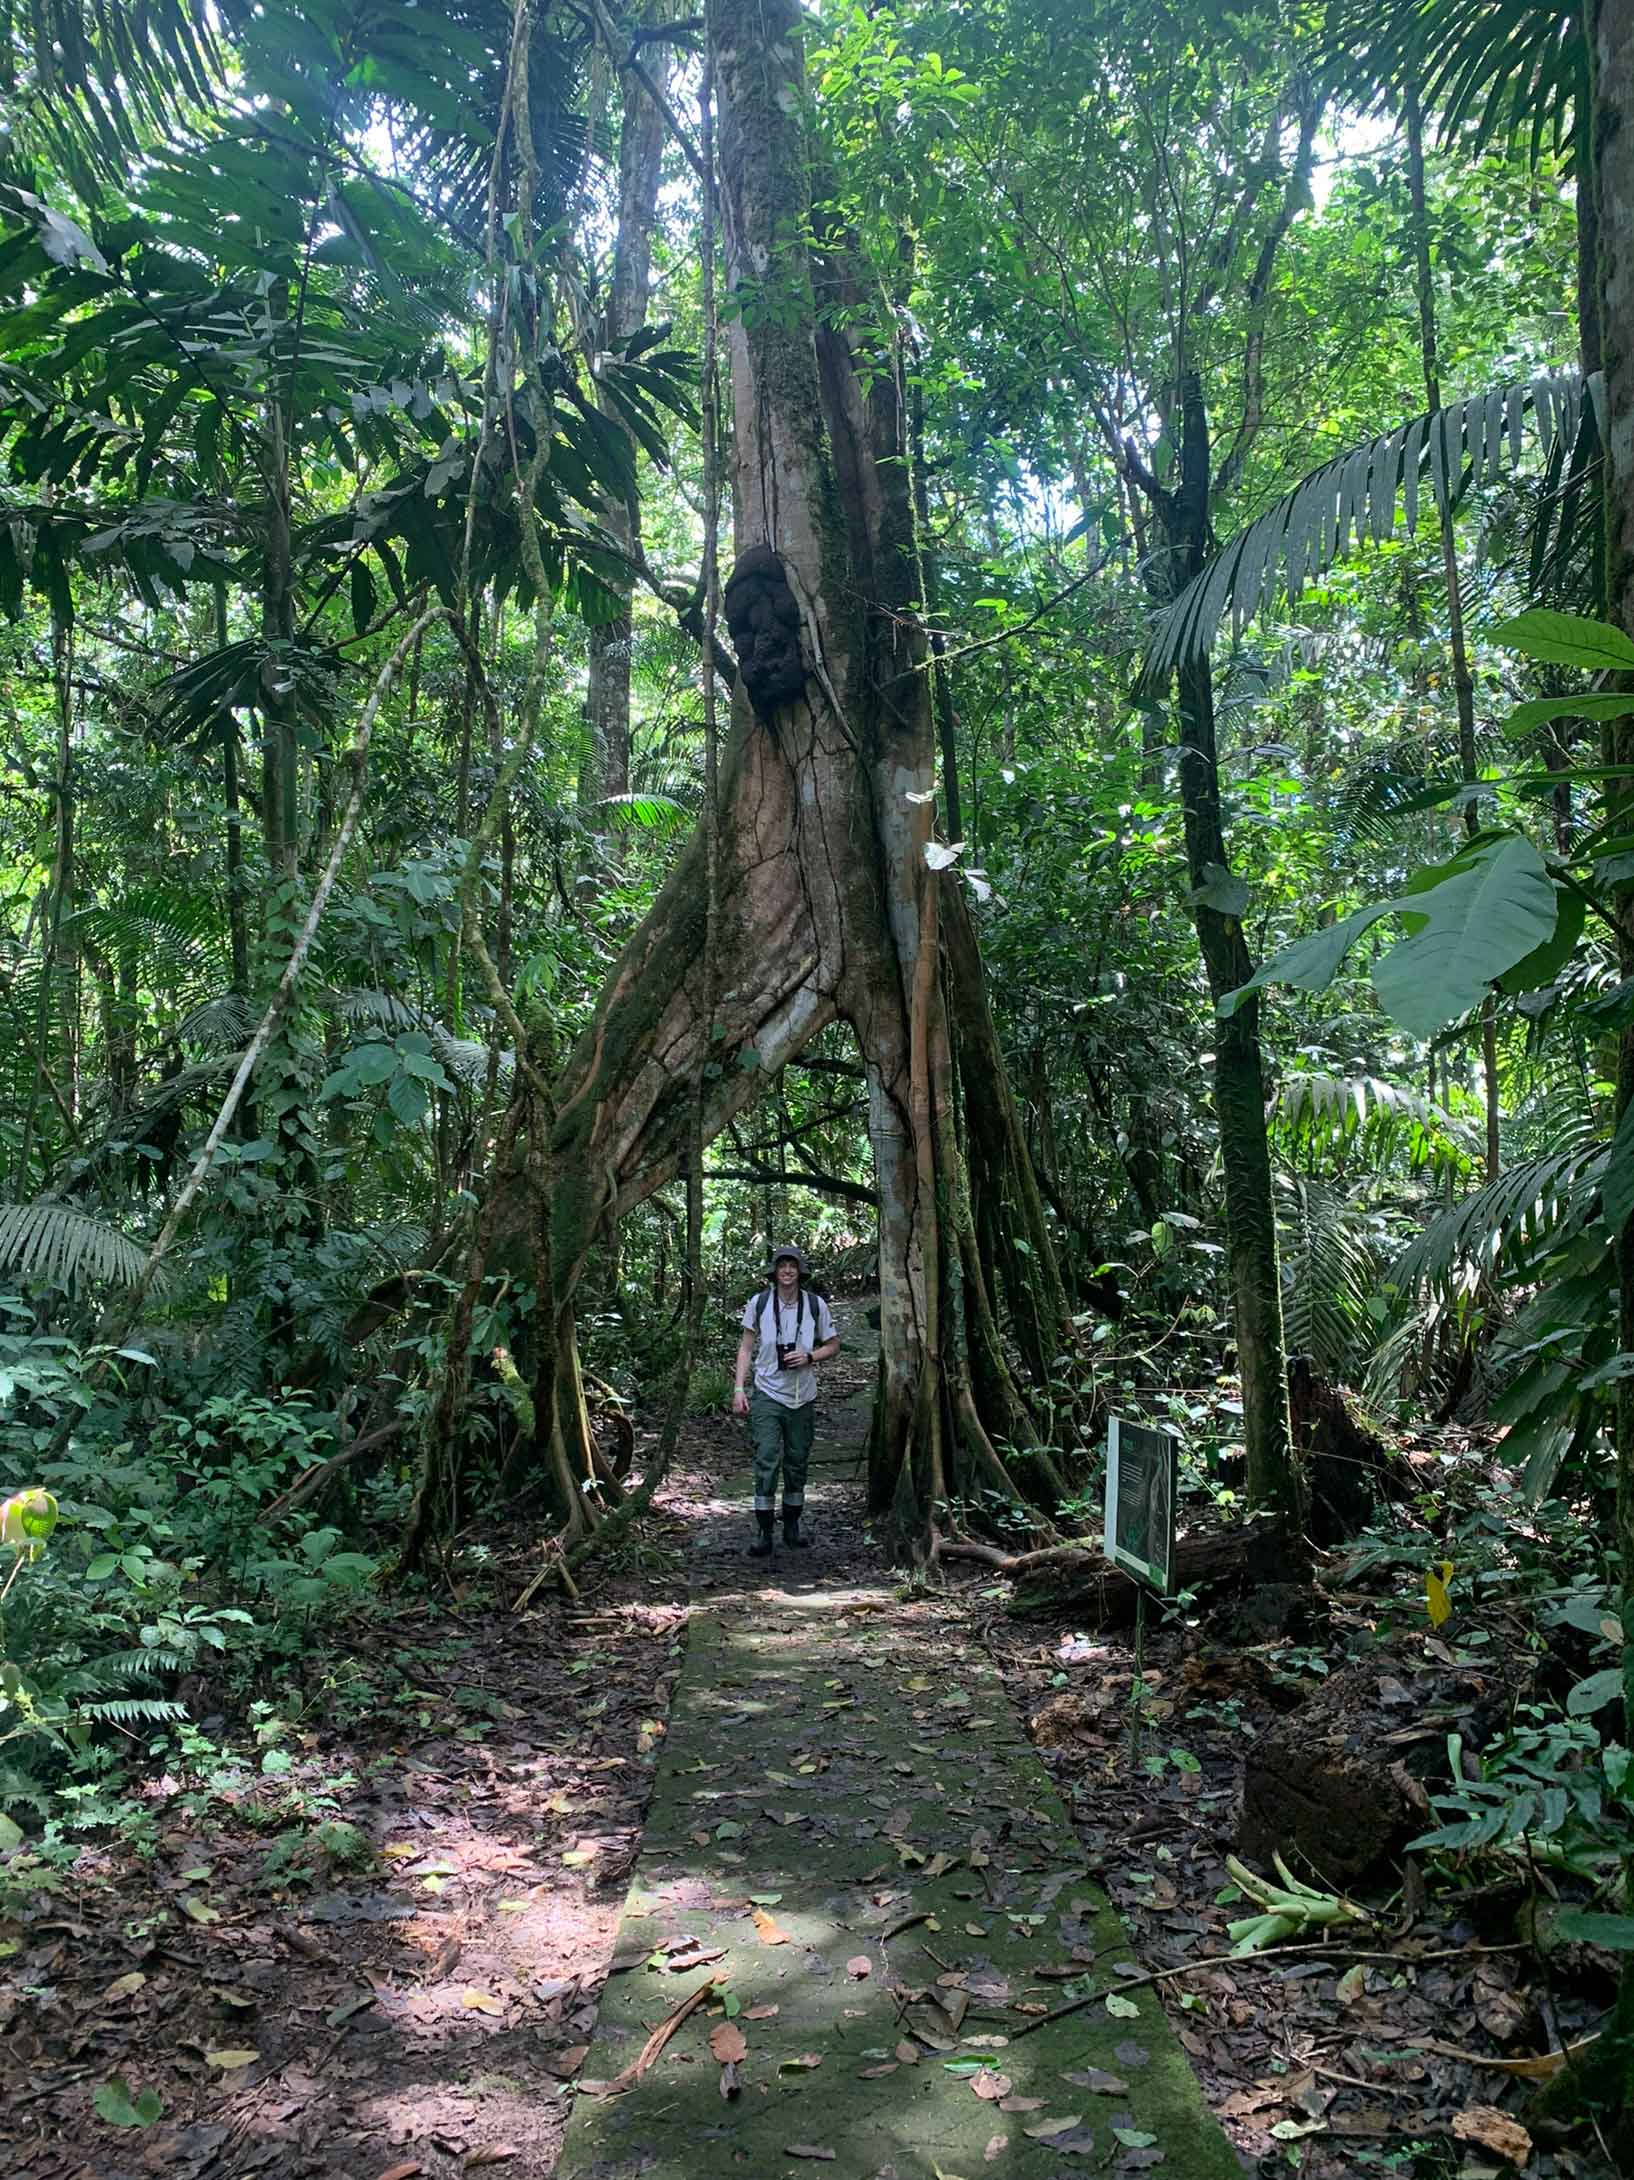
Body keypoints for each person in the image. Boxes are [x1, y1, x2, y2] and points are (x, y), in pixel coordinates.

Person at [732, 1245, 840, 1555]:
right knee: (766, 1459)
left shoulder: (816, 1305)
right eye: (782, 1266)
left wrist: (810, 1356)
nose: (787, 1271)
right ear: (775, 1271)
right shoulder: (760, 1303)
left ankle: (792, 1524)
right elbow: (745, 1348)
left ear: (800, 1271)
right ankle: (764, 1530)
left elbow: (833, 1344)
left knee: (797, 1463)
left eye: (793, 1266)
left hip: (802, 1396)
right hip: (767, 1393)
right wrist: (739, 1389)